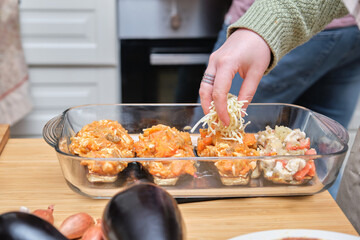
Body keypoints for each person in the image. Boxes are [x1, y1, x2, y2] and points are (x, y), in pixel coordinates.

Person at [198, 0, 360, 199]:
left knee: (210, 141)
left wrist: (261, 27)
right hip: (347, 26)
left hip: (276, 25)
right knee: (321, 158)